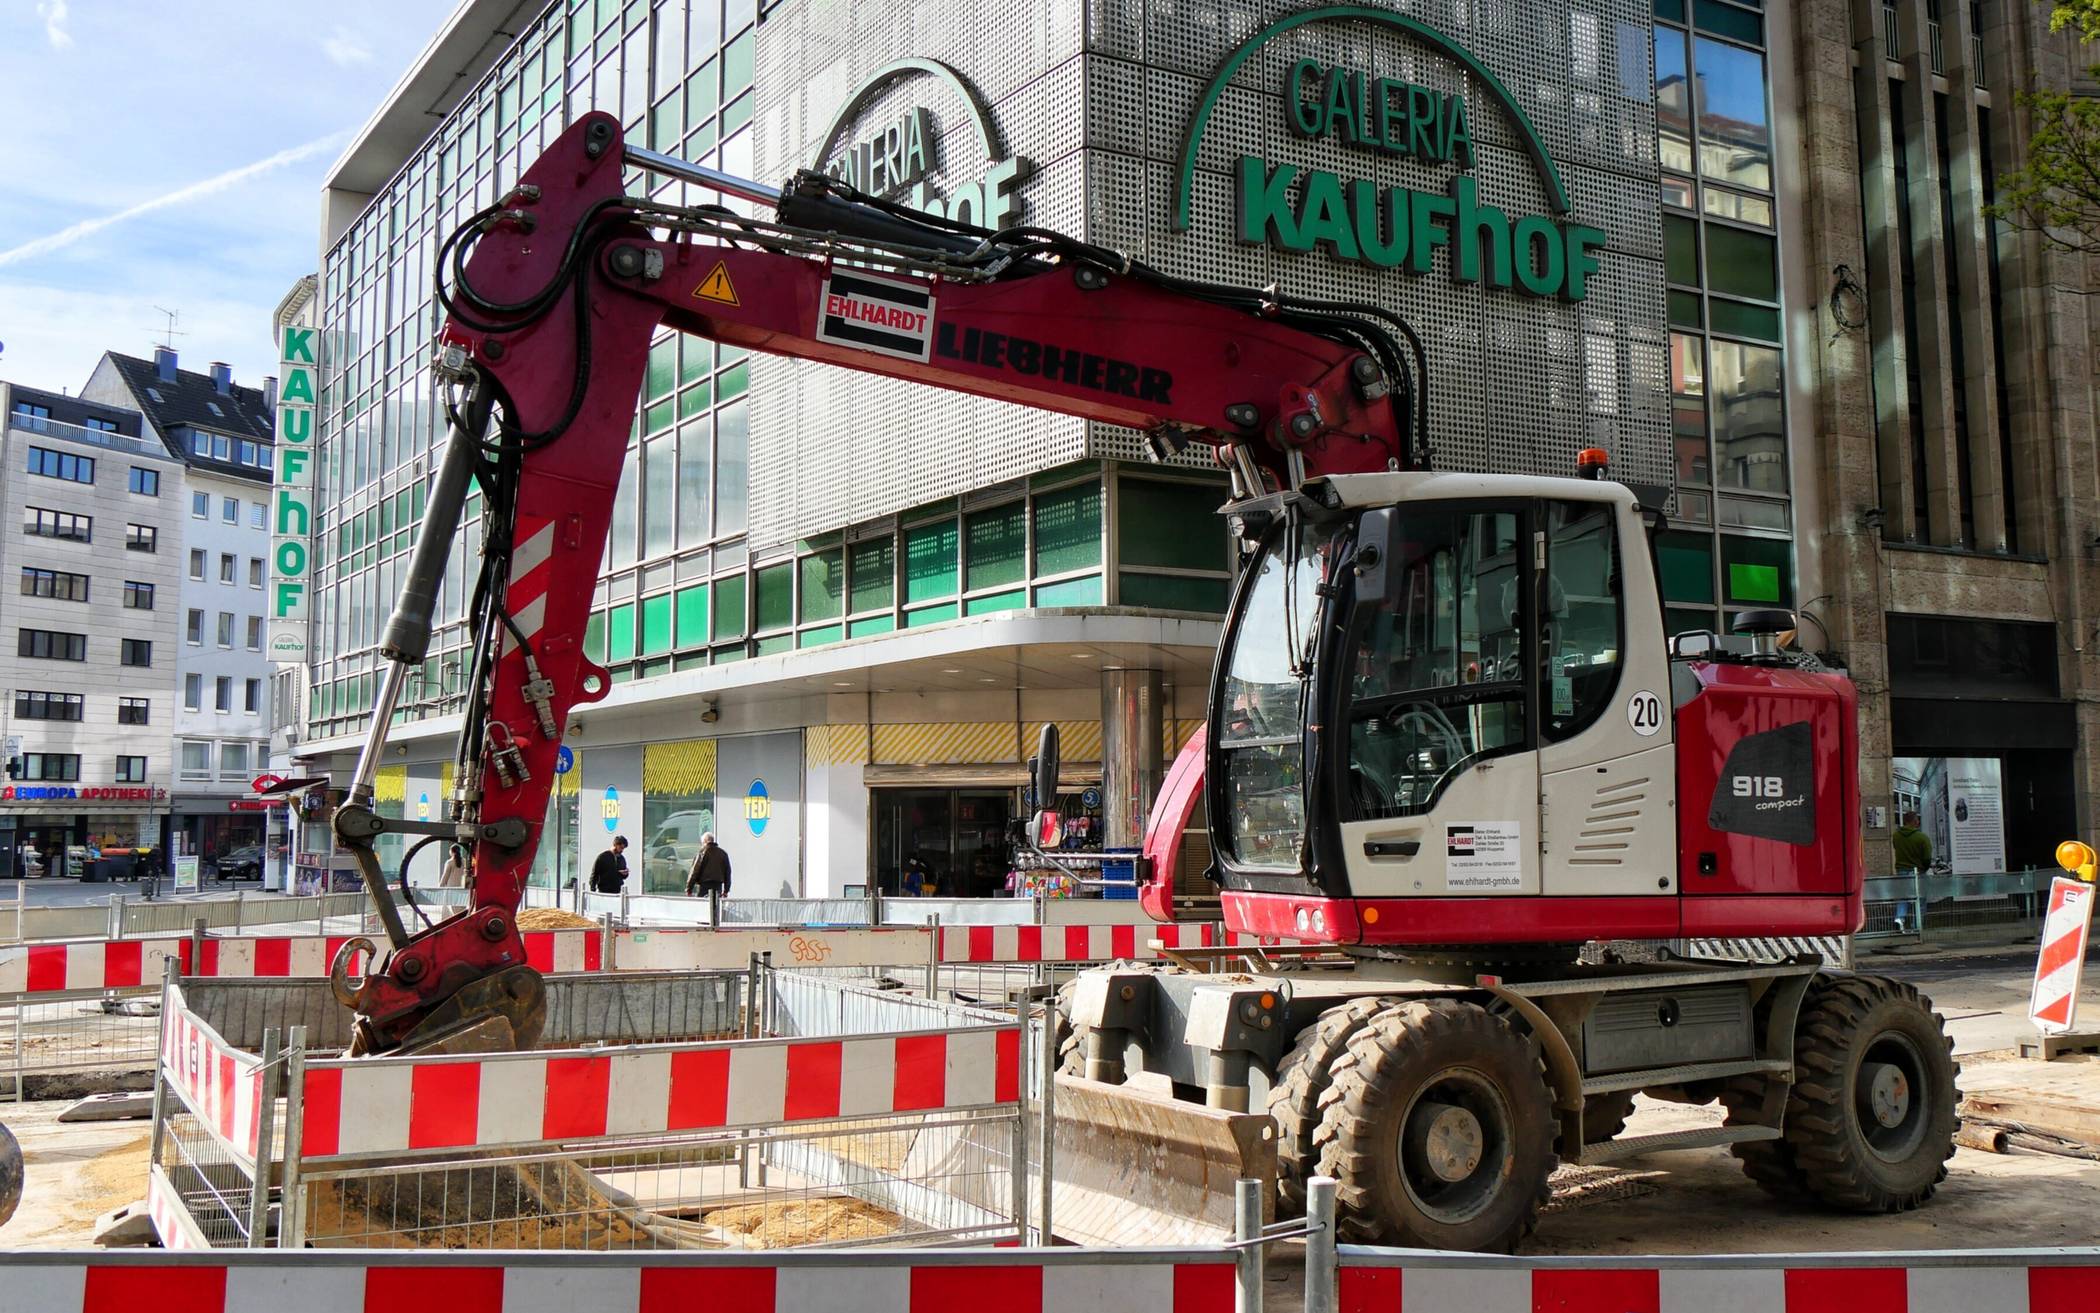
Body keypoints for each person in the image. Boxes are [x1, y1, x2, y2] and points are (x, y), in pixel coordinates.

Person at [1891, 810, 1932, 935]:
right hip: (1917, 872)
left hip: (1901, 872)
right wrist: (1924, 868)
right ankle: (1916, 927)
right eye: (1917, 820)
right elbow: (1927, 857)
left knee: (1903, 897)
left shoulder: (1896, 836)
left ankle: (1899, 919)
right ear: (1915, 821)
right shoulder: (1922, 838)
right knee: (1920, 900)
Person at [686, 832, 731, 897]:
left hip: (704, 886)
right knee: (716, 905)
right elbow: (728, 872)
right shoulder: (723, 854)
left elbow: (694, 871)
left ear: (705, 842)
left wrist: (689, 889)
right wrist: (726, 890)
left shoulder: (702, 853)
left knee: (702, 905)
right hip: (718, 886)